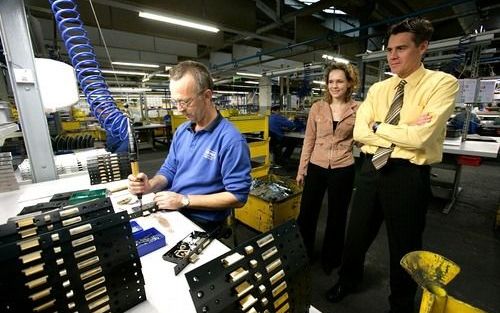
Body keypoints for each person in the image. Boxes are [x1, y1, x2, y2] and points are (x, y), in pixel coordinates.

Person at [326, 17, 459, 313]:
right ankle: (347, 280)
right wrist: (399, 128)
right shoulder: (379, 89)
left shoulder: (442, 84)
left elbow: (422, 138)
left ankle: (400, 304)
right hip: (372, 168)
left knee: (405, 244)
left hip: (408, 175)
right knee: (356, 232)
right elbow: (359, 133)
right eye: (389, 49)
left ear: (422, 47)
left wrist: (379, 127)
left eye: (401, 48)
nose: (393, 56)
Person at [128, 60, 252, 232]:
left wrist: (184, 200)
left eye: (185, 102)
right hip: (174, 209)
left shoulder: (230, 140)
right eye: (175, 102)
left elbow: (238, 197)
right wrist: (151, 185)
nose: (179, 110)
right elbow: (170, 169)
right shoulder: (182, 131)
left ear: (207, 96)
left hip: (202, 221)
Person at [296, 62, 359, 274]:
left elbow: (362, 139)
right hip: (316, 165)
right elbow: (309, 140)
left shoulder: (358, 109)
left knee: (337, 215)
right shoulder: (318, 107)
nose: (335, 85)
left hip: (343, 167)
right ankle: (303, 253)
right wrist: (301, 169)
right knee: (307, 213)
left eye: (340, 81)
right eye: (331, 81)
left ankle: (331, 259)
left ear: (349, 83)